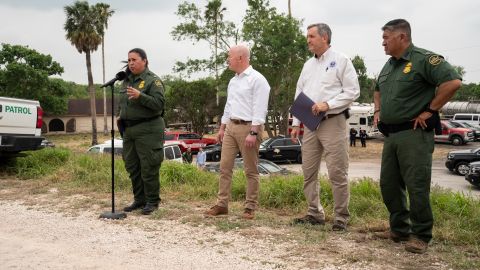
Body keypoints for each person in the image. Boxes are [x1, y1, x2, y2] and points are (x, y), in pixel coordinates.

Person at [373, 19, 461, 253]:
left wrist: (431, 109)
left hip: (414, 134)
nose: (382, 42)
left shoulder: (423, 59)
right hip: (391, 136)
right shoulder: (389, 65)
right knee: (389, 184)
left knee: (416, 185)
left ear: (402, 37)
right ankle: (399, 229)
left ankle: (421, 234)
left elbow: (452, 82)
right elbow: (377, 89)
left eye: (386, 38)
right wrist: (378, 110)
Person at [291, 23, 360, 231]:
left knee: (337, 172)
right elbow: (299, 93)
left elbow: (353, 91)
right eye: (308, 36)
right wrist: (296, 123)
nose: (308, 40)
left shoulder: (341, 60)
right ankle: (314, 213)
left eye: (311, 36)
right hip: (310, 124)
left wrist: (328, 104)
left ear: (325, 37)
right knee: (308, 171)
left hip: (333, 121)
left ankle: (341, 217)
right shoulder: (307, 65)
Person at [204, 44, 270, 220]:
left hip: (249, 127)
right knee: (224, 167)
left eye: (229, 56)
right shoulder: (233, 81)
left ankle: (250, 207)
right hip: (231, 127)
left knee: (250, 169)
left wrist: (254, 132)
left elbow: (260, 108)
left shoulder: (258, 80)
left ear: (240, 58)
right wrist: (222, 128)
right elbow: (229, 106)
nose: (227, 59)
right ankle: (222, 204)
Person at [118, 48, 165, 215]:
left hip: (149, 129)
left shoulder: (153, 81)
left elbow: (159, 104)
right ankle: (139, 200)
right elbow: (124, 103)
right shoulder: (126, 80)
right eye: (129, 60)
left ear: (144, 61)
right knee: (132, 165)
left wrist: (141, 96)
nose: (131, 63)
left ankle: (152, 201)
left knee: (148, 166)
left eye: (134, 60)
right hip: (129, 130)